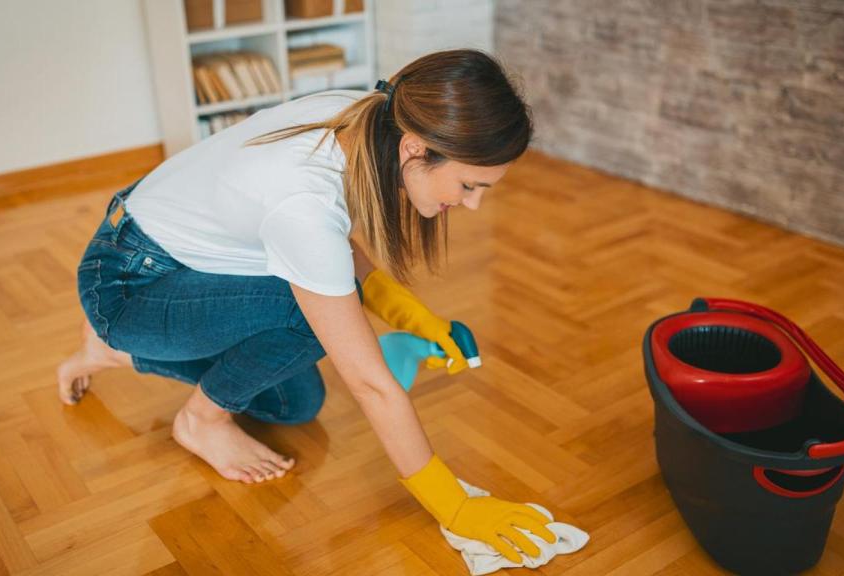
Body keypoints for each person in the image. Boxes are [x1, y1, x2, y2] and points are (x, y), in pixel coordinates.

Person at [55, 49, 554, 562]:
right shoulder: (305, 201)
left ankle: (117, 352)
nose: (472, 204)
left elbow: (331, 243)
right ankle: (196, 418)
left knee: (294, 406)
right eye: (470, 185)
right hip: (129, 281)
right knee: (311, 321)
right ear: (415, 148)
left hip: (183, 255)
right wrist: (453, 506)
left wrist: (410, 316)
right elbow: (369, 384)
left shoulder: (379, 112)